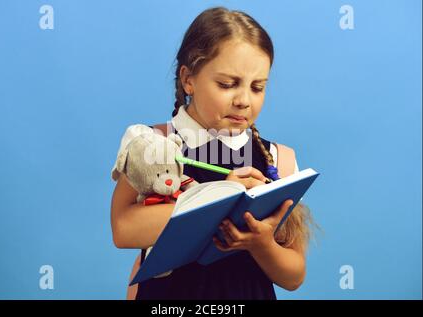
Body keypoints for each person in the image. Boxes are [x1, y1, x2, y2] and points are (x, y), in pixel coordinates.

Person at [110, 6, 316, 300]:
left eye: (257, 88)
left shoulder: (277, 159)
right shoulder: (153, 144)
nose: (244, 100)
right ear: (188, 79)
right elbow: (123, 229)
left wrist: (261, 244)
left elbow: (294, 276)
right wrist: (222, 195)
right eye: (227, 84)